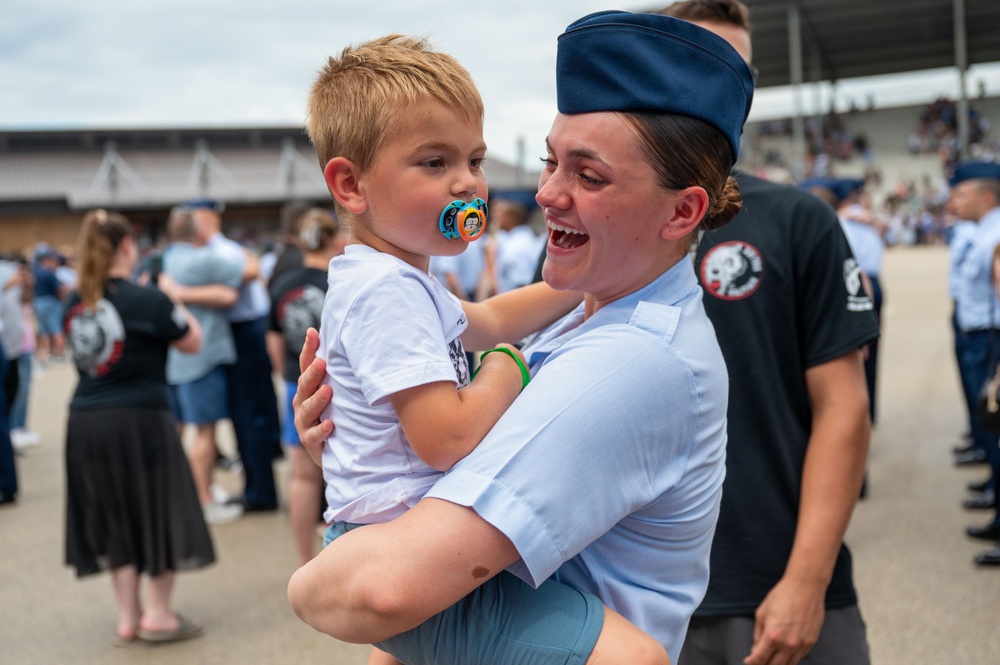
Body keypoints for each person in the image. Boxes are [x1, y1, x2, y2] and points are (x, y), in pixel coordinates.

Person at [288, 12, 754, 664]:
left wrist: (307, 584)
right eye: (550, 161)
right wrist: (356, 421)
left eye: (588, 176)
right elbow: (495, 322)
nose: (545, 194)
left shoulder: (632, 357)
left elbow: (383, 588)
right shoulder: (590, 303)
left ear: (683, 211)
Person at [656, 3, 879, 664]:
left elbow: (844, 407)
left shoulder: (796, 219)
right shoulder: (598, 230)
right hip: (641, 597)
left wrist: (807, 580)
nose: (730, 89)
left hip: (781, 588)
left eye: (743, 74)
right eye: (708, 63)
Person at [63, 209, 213, 644]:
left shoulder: (78, 301)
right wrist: (173, 297)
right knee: (158, 508)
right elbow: (193, 340)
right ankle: (159, 613)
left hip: (85, 421)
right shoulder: (148, 300)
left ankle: (128, 617)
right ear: (128, 246)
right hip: (141, 418)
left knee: (113, 514)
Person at [186, 198, 284, 513]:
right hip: (245, 331)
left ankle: (260, 492)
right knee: (252, 414)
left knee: (249, 416)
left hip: (244, 333)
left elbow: (246, 276)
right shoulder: (226, 249)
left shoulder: (218, 252)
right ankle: (258, 486)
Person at [266, 208, 347, 566]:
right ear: (334, 240)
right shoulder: (341, 279)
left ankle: (304, 562)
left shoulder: (281, 282)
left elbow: (273, 338)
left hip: (296, 384)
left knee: (302, 476)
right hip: (339, 389)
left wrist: (286, 374)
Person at [160, 206, 246, 524]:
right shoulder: (204, 259)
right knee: (206, 433)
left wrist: (184, 293)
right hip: (202, 356)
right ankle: (203, 499)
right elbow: (247, 269)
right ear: (198, 231)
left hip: (176, 359)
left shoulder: (166, 258)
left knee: (181, 430)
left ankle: (190, 492)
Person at [947, 161, 1000, 567]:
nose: (954, 201)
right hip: (976, 331)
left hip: (989, 337)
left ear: (986, 196)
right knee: (988, 428)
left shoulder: (995, 231)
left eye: (961, 194)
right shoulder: (983, 230)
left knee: (994, 428)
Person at [32, 249, 67, 365]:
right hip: (50, 302)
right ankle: (59, 354)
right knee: (56, 329)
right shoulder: (49, 274)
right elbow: (59, 291)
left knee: (44, 330)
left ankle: (45, 354)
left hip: (38, 303)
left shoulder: (36, 272)